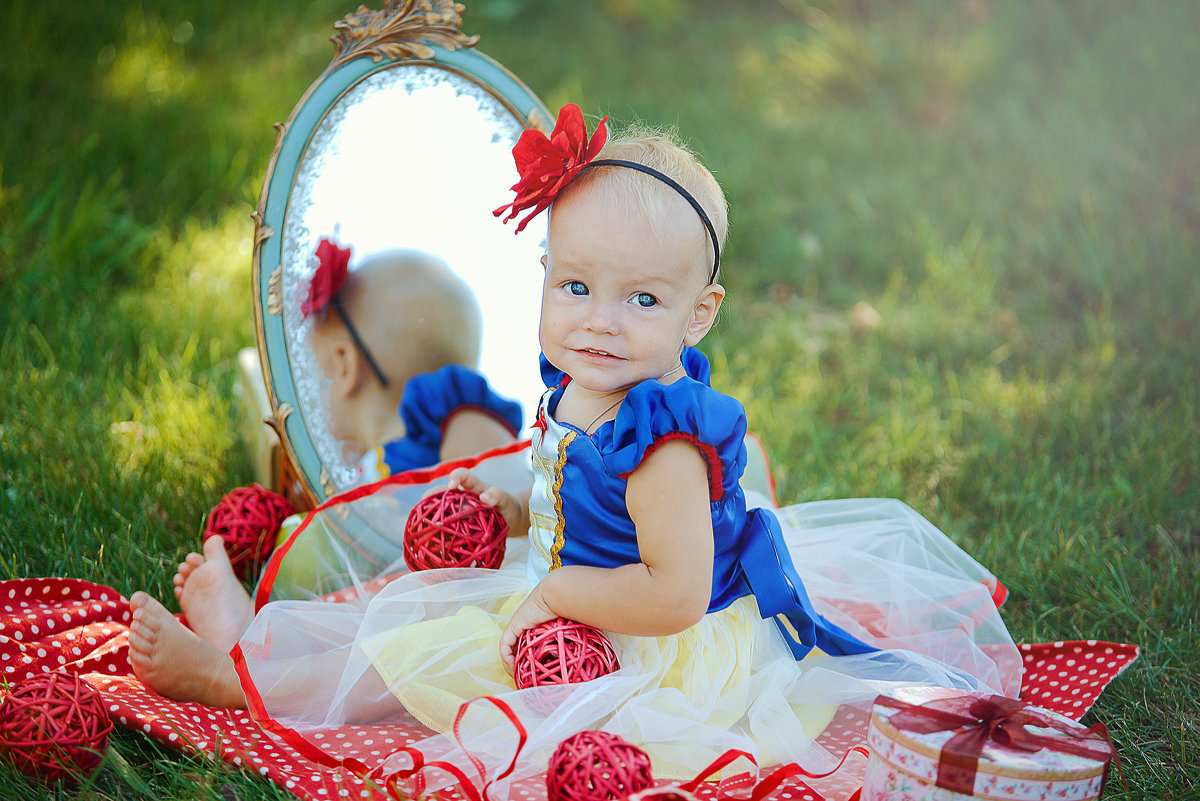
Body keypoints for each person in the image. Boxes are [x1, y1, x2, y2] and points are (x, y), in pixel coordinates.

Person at [128, 105, 1019, 798]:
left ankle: (223, 676)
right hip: (568, 600)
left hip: (640, 652)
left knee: (419, 658)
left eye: (641, 300)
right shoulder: (583, 389)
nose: (599, 317)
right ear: (546, 277)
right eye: (578, 285)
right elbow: (565, 488)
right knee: (403, 611)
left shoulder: (662, 441)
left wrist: (553, 590)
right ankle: (259, 655)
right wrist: (513, 505)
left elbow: (672, 592)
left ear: (697, 314)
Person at [302, 243, 523, 480]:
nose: (304, 392)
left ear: (344, 365)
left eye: (309, 371)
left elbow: (510, 491)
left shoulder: (459, 433)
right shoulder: (357, 478)